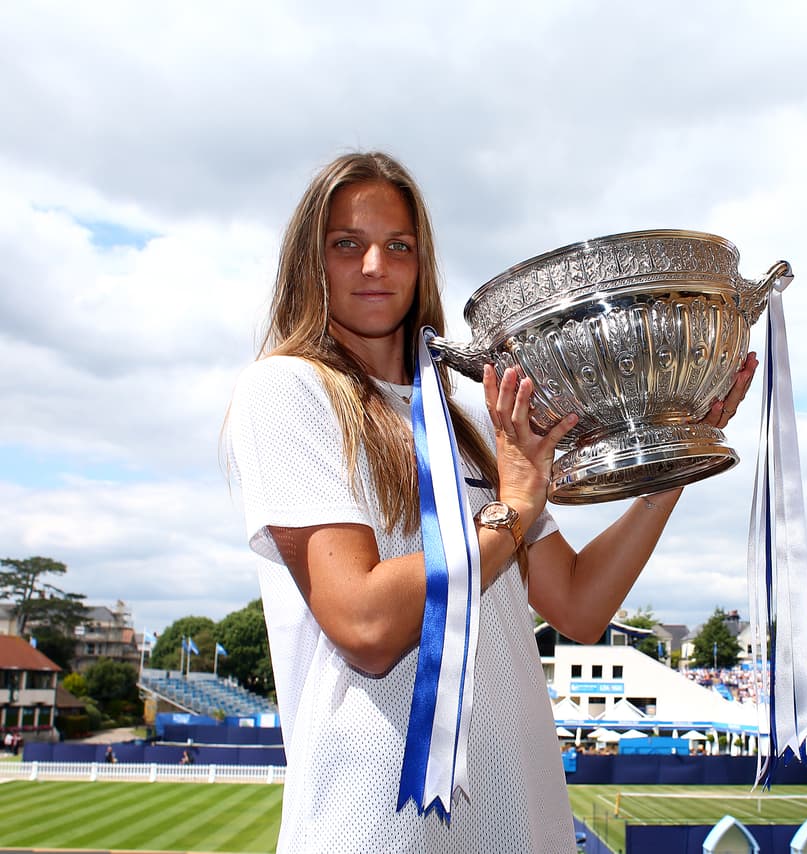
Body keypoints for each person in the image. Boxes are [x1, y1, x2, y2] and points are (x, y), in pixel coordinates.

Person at [224, 152, 756, 853]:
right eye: (346, 244)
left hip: (516, 805)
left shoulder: (468, 426)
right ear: (309, 264)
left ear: (422, 265)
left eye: (399, 246)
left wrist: (677, 449)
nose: (375, 266)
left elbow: (580, 605)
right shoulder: (288, 390)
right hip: (381, 814)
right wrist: (510, 510)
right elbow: (363, 624)